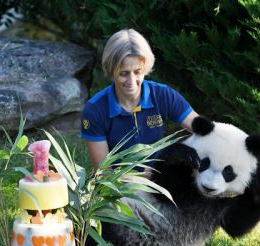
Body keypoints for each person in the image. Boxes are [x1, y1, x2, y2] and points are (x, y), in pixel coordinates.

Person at [81, 29, 199, 169]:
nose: (131, 81)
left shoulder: (163, 95)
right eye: (124, 73)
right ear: (111, 71)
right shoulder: (95, 110)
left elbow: (203, 129)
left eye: (138, 72)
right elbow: (104, 174)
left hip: (161, 181)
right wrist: (144, 178)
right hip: (119, 187)